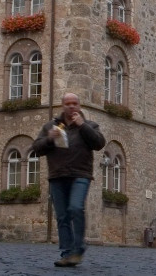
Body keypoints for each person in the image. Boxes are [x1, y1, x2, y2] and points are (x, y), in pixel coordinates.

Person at [33, 92, 105, 268]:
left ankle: (78, 248)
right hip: (57, 176)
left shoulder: (89, 125)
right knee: (63, 217)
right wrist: (49, 138)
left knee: (75, 207)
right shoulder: (51, 126)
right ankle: (67, 254)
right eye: (67, 103)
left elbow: (99, 143)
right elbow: (36, 148)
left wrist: (83, 127)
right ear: (62, 106)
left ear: (79, 106)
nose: (71, 106)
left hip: (81, 175)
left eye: (74, 103)